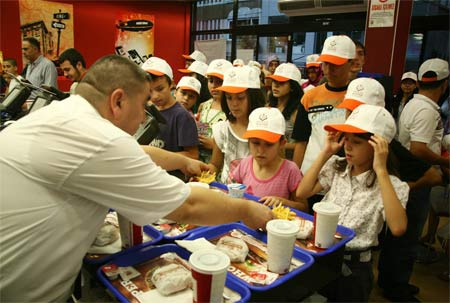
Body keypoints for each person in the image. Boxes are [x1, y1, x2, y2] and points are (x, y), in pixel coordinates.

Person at [0, 54, 273, 302]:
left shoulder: (67, 114)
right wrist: (246, 209)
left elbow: (136, 151)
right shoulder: (99, 139)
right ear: (118, 100)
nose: (144, 116)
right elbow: (187, 206)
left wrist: (183, 161)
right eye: (143, 106)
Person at [337, 77, 442, 301]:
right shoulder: (347, 145)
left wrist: (387, 190)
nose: (352, 117)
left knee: (395, 256)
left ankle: (395, 286)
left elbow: (433, 175)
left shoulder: (388, 150)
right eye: (349, 110)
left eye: (359, 110)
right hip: (337, 251)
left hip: (375, 238)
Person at [297, 104, 409, 302]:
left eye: (356, 142)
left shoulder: (391, 185)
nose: (347, 147)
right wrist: (326, 152)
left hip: (355, 268)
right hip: (322, 256)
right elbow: (302, 192)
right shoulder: (337, 167)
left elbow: (398, 227)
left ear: (379, 147)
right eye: (346, 139)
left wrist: (381, 170)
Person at [292, 35, 355, 213]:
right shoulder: (309, 96)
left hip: (343, 178)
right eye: (325, 63)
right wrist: (295, 177)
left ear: (352, 64)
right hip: (310, 174)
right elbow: (301, 140)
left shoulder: (357, 97)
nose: (329, 69)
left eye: (336, 64)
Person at [229, 107, 307, 212]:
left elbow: (304, 208)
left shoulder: (290, 170)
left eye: (269, 144)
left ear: (282, 144)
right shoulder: (245, 164)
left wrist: (283, 202)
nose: (261, 150)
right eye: (255, 143)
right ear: (248, 141)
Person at [208, 65, 265, 183]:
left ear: (253, 97)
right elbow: (215, 164)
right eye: (229, 98)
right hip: (227, 193)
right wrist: (203, 174)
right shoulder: (222, 129)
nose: (234, 104)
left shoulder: (266, 128)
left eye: (240, 98)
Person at [142, 56, 199, 162]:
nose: (155, 96)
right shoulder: (144, 111)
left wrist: (159, 157)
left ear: (172, 84)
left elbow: (193, 155)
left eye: (160, 89)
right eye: (149, 90)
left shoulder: (182, 116)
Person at [265, 62, 304, 165]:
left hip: (287, 163)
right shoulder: (268, 106)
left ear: (292, 86)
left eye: (281, 82)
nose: (276, 85)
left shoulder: (296, 112)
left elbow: (301, 145)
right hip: (267, 161)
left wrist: (276, 144)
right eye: (274, 81)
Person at [197, 59, 232, 163]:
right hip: (201, 160)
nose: (214, 86)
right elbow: (202, 127)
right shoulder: (204, 106)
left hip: (221, 164)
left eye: (219, 81)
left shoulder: (232, 110)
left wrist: (215, 146)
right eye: (211, 81)